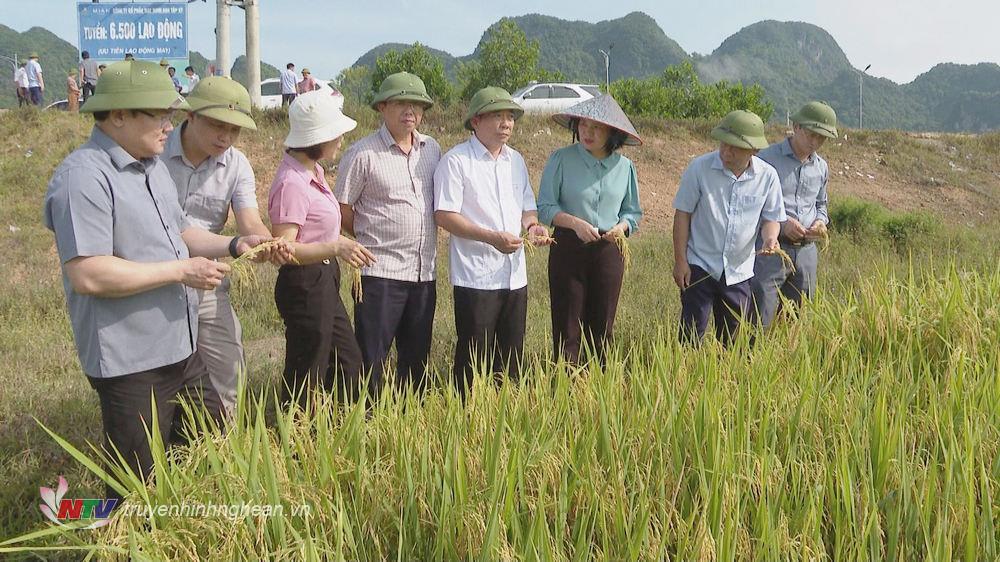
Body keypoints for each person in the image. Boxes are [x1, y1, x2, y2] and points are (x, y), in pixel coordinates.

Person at [42, 60, 287, 500]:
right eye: (159, 114)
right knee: (133, 482)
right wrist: (181, 271)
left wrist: (234, 245)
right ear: (118, 115)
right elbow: (88, 272)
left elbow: (179, 234)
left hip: (180, 344)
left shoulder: (150, 166)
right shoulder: (84, 177)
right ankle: (117, 539)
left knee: (206, 441)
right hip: (131, 358)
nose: (168, 124)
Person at [163, 76, 290, 414]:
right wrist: (235, 244)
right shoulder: (156, 155)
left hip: (207, 280)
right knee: (161, 378)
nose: (226, 137)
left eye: (234, 130)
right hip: (156, 279)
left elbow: (249, 220)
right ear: (190, 116)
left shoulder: (237, 164)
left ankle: (224, 445)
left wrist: (262, 242)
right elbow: (177, 229)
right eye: (218, 126)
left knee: (229, 372)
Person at [434, 87, 550, 397]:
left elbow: (527, 206)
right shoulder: (456, 161)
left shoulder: (516, 161)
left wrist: (533, 226)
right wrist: (491, 238)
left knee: (511, 356)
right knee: (473, 358)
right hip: (475, 276)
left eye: (510, 116)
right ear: (475, 121)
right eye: (497, 116)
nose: (506, 123)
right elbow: (445, 215)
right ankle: (466, 418)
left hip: (514, 275)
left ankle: (505, 416)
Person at [334, 72, 440, 395]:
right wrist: (370, 234)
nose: (410, 111)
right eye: (401, 103)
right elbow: (341, 209)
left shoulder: (432, 149)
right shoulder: (362, 154)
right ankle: (366, 422)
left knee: (416, 358)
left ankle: (409, 424)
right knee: (372, 358)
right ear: (382, 107)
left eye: (417, 105)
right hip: (379, 274)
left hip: (423, 273)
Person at [269, 90, 376, 406]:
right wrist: (334, 248)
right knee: (308, 369)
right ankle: (297, 436)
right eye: (335, 133)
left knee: (347, 362)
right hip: (303, 283)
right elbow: (285, 250)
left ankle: (341, 432)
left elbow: (317, 232)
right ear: (317, 138)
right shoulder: (292, 182)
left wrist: (340, 244)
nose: (341, 139)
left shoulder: (313, 171)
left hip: (323, 279)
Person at [536, 94, 643, 364]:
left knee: (602, 329)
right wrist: (575, 223)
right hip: (568, 249)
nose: (588, 132)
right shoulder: (561, 159)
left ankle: (598, 390)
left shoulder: (624, 167)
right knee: (567, 327)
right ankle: (565, 389)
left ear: (613, 133)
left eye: (596, 127)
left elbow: (633, 212)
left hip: (609, 251)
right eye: (583, 125)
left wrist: (621, 227)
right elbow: (545, 206)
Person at [672, 110, 784, 347]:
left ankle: (728, 380)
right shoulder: (699, 169)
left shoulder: (768, 177)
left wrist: (770, 238)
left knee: (735, 340)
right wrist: (680, 261)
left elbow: (771, 218)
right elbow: (682, 215)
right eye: (723, 144)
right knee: (691, 335)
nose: (726, 152)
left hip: (739, 270)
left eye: (734, 147)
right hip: (700, 264)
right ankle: (683, 377)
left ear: (754, 150)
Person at [750, 101, 837, 329]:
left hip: (807, 253)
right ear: (796, 127)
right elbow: (751, 204)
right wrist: (782, 222)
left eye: (822, 138)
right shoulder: (766, 160)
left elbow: (821, 203)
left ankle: (787, 360)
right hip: (772, 250)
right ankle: (751, 360)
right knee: (760, 316)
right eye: (811, 135)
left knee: (796, 320)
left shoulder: (821, 167)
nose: (815, 142)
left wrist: (820, 222)